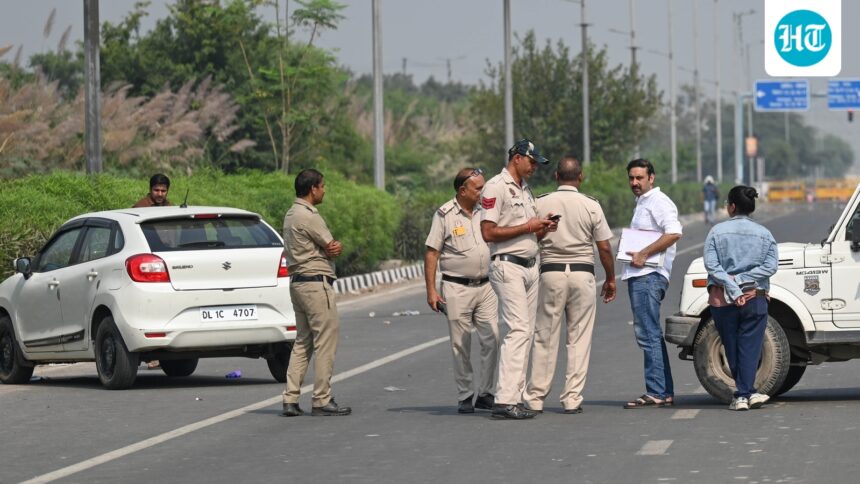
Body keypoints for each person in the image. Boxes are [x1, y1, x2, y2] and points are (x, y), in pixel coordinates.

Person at [523, 157, 616, 414]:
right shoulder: (591, 205)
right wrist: (610, 278)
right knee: (579, 337)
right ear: (581, 177)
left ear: (555, 176)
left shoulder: (540, 202)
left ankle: (535, 397)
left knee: (544, 336)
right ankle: (572, 398)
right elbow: (605, 247)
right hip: (582, 274)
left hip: (550, 272)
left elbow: (530, 236)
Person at [480, 139, 556, 420]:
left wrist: (543, 228)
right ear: (517, 158)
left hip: (529, 266)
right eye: (532, 161)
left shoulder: (525, 190)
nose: (535, 166)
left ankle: (515, 397)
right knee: (518, 330)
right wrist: (528, 226)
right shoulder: (495, 187)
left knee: (526, 332)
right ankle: (504, 400)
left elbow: (528, 232)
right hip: (507, 266)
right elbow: (488, 232)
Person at [424, 167, 500, 414]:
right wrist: (431, 291)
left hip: (486, 286)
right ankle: (466, 395)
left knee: (492, 339)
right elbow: (432, 253)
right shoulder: (444, 215)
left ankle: (486, 393)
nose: (482, 192)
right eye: (478, 188)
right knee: (461, 343)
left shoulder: (485, 211)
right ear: (462, 190)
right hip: (456, 288)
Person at [281, 169, 351, 417]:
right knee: (325, 342)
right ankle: (322, 398)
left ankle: (290, 398)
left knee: (303, 342)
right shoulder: (309, 215)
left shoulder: (290, 214)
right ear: (313, 189)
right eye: (322, 186)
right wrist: (335, 247)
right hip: (315, 284)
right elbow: (331, 246)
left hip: (297, 283)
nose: (324, 190)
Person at [703, 186, 778, 411]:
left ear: (732, 207)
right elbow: (771, 266)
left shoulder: (716, 232)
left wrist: (731, 283)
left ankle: (743, 394)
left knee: (731, 346)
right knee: (750, 347)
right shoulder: (765, 234)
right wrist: (745, 278)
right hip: (754, 297)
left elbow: (711, 265)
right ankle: (749, 393)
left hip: (723, 300)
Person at [622, 158, 682, 409]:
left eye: (640, 178)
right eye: (632, 178)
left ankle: (656, 390)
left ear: (651, 178)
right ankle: (663, 390)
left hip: (648, 276)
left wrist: (644, 253)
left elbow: (674, 232)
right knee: (650, 334)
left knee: (647, 334)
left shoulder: (658, 201)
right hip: (641, 275)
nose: (635, 183)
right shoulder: (643, 202)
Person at [132, 173, 172, 370]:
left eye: (163, 191)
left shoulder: (171, 207)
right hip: (147, 263)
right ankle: (151, 356)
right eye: (156, 190)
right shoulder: (140, 208)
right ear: (150, 189)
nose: (160, 194)